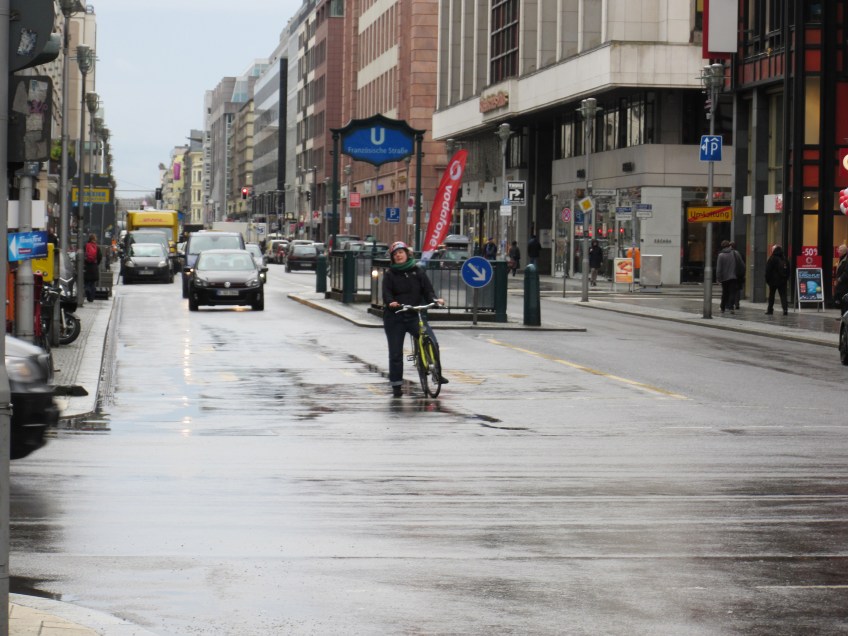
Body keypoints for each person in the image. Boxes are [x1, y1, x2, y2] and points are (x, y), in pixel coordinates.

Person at [382, 241, 447, 397]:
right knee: (396, 352)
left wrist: (435, 300)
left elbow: (428, 291)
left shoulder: (418, 271)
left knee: (431, 339)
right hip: (395, 316)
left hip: (413, 314)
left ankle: (436, 372)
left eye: (401, 252)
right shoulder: (390, 274)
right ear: (392, 258)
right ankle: (396, 385)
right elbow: (386, 294)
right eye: (395, 254)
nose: (398, 255)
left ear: (407, 254)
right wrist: (391, 303)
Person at [764, 244, 789, 315]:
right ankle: (785, 309)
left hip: (773, 281)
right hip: (782, 281)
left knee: (771, 295)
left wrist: (768, 280)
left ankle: (770, 310)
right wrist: (785, 278)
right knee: (783, 295)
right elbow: (788, 270)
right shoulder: (784, 259)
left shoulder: (772, 258)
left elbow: (767, 270)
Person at [715, 239, 738, 314]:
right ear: (729, 245)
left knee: (725, 293)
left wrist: (718, 278)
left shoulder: (720, 255)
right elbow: (740, 264)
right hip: (733, 276)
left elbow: (719, 269)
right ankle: (731, 307)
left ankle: (722, 308)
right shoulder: (734, 253)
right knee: (732, 292)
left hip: (724, 278)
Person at [83, 233, 102, 302]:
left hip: (87, 266)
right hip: (94, 266)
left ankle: (87, 290)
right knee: (93, 284)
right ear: (94, 239)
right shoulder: (97, 247)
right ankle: (91, 298)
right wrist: (97, 264)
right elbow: (100, 257)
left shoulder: (85, 246)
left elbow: (82, 255)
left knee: (87, 282)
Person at [731, 241, 745, 310]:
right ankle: (737, 304)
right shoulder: (740, 254)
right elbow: (743, 265)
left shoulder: (730, 254)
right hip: (738, 275)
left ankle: (732, 303)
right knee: (737, 290)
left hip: (732, 275)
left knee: (732, 290)